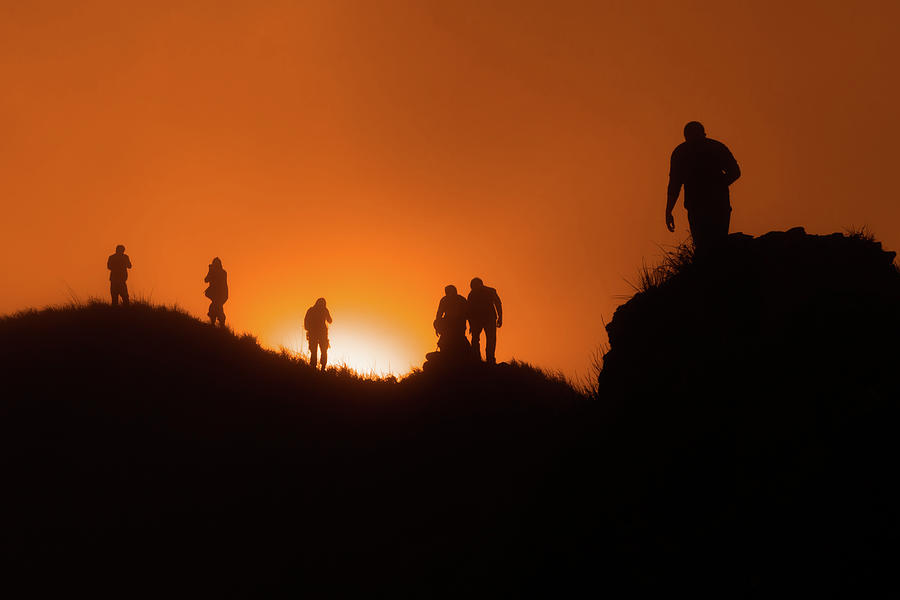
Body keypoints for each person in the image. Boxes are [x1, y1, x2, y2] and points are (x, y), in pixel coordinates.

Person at [666, 121, 741, 254]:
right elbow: (735, 172)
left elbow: (674, 185)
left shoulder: (682, 152)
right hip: (709, 205)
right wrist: (719, 185)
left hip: (708, 205)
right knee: (712, 245)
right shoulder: (714, 147)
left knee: (708, 246)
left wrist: (669, 211)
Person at [467, 277, 502, 363]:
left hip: (488, 319)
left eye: (473, 286)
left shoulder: (490, 291)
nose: (473, 288)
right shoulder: (472, 294)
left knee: (489, 339)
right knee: (478, 339)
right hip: (478, 320)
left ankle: (488, 359)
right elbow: (469, 311)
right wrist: (471, 324)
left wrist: (500, 317)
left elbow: (498, 304)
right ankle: (479, 359)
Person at [434, 285, 470, 356]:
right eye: (447, 292)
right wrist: (437, 327)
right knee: (445, 341)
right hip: (447, 325)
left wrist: (471, 325)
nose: (449, 294)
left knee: (459, 340)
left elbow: (468, 313)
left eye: (450, 292)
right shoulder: (444, 300)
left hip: (459, 324)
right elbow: (439, 314)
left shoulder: (461, 300)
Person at [304, 298, 332, 371]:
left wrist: (308, 329)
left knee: (317, 350)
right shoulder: (323, 310)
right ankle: (320, 367)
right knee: (320, 350)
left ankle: (317, 367)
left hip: (316, 333)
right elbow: (330, 321)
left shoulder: (312, 310)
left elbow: (306, 321)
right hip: (319, 333)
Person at [204, 257, 228, 326]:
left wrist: (212, 272)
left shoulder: (223, 273)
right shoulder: (213, 272)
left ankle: (218, 323)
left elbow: (220, 283)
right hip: (215, 295)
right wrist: (210, 271)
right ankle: (217, 324)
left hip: (222, 295)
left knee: (215, 307)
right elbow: (206, 280)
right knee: (217, 308)